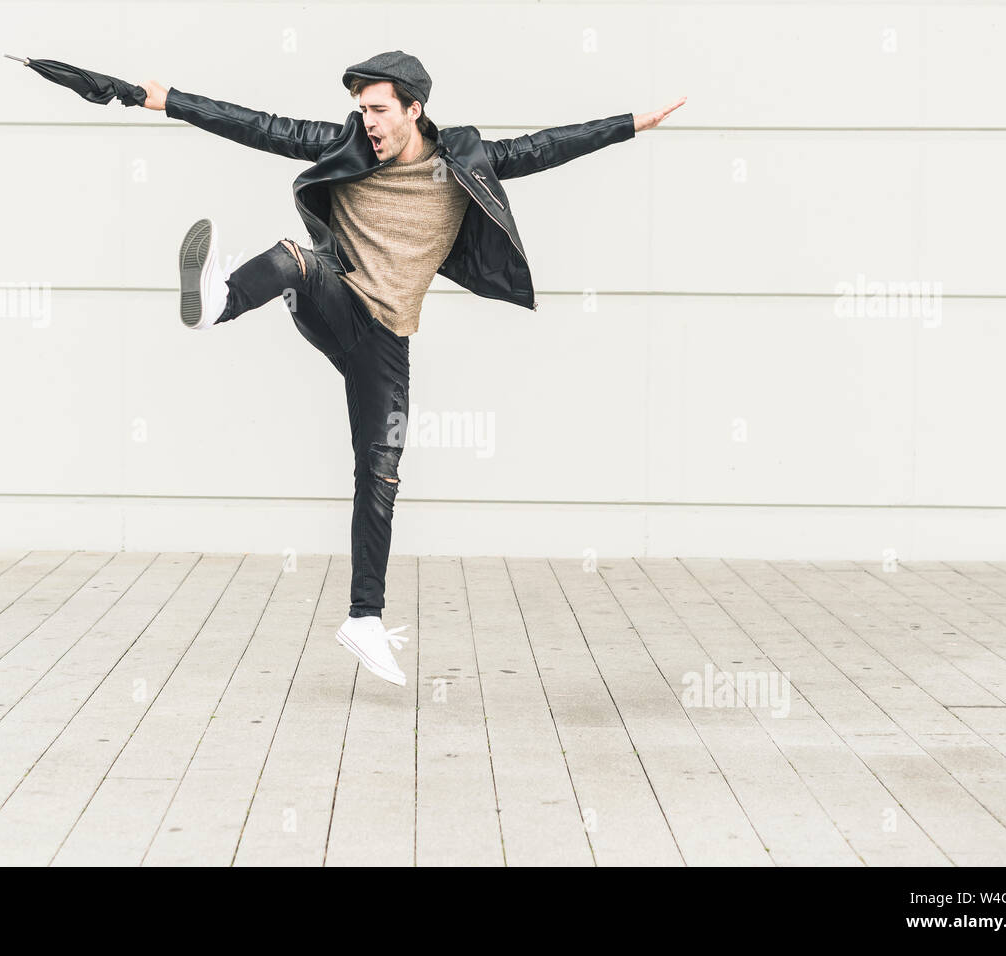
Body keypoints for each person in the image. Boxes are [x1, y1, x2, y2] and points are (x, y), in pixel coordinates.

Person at [139, 51, 685, 687]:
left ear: (413, 109)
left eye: (378, 110)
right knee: (295, 259)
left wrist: (629, 124)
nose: (366, 121)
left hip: (387, 337)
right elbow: (261, 126)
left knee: (380, 474)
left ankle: (364, 619)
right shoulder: (348, 144)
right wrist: (169, 99)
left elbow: (545, 147)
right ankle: (218, 303)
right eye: (361, 109)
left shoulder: (462, 162)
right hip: (337, 303)